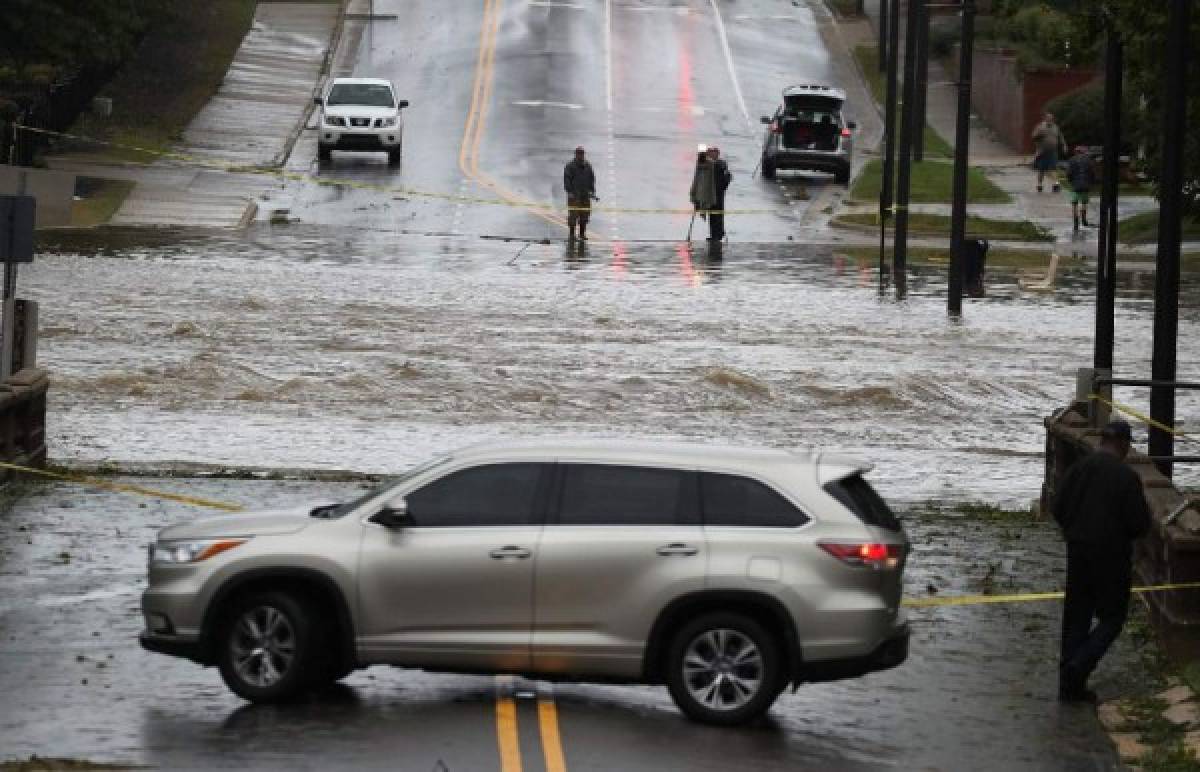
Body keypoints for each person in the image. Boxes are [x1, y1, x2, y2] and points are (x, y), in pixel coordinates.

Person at [1053, 420, 1151, 703]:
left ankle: (1068, 687)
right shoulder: (1126, 477)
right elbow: (1138, 524)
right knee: (1113, 617)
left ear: (1102, 441)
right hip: (1112, 556)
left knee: (1077, 617)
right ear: (1123, 444)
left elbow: (1059, 507)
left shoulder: (1079, 469)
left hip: (1078, 550)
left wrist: (1073, 531)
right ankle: (1080, 664)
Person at [690, 146, 732, 241]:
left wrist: (722, 187)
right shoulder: (708, 164)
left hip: (718, 193)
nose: (711, 154)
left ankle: (718, 234)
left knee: (717, 214)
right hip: (710, 193)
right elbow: (700, 170)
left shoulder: (720, 164)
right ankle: (714, 235)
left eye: (713, 152)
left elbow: (727, 179)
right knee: (712, 214)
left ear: (717, 154)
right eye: (709, 153)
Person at [563, 146, 595, 241]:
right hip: (574, 195)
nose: (580, 155)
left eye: (582, 153)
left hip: (585, 195)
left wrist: (592, 191)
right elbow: (567, 179)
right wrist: (569, 191)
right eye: (579, 153)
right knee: (573, 215)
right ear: (575, 154)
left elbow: (591, 179)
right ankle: (572, 235)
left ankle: (582, 234)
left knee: (585, 215)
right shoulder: (570, 166)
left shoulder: (588, 166)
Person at [1065, 145, 1098, 233]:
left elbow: (1068, 173)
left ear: (1076, 152)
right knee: (1084, 202)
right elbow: (1093, 173)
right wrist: (1092, 182)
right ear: (1084, 152)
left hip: (1075, 185)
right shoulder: (1089, 161)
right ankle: (1084, 220)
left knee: (1074, 203)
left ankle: (1076, 223)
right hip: (1086, 185)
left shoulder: (1071, 160)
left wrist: (1070, 181)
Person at [1031, 113, 1067, 193]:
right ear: (1045, 119)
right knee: (1041, 169)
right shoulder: (1040, 127)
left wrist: (1064, 145)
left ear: (1053, 119)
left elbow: (1060, 137)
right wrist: (1038, 134)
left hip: (1053, 152)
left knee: (1053, 168)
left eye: (1051, 119)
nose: (1050, 120)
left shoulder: (1055, 127)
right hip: (1042, 152)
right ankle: (1039, 184)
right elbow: (1033, 137)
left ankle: (1056, 184)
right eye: (1048, 119)